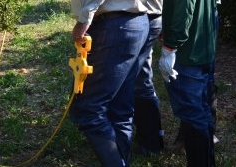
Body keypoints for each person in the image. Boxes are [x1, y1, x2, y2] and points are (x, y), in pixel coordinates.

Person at [70, 1, 149, 166]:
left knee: (88, 108)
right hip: (135, 23)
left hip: (114, 25)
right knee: (120, 106)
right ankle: (122, 161)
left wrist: (84, 18)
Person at [160, 0, 218, 166]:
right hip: (202, 48)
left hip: (188, 53)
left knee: (194, 115)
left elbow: (184, 8)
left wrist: (170, 47)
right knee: (201, 111)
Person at [133, 0, 164, 156]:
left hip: (144, 16)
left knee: (138, 82)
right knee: (140, 80)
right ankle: (151, 137)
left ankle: (151, 141)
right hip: (149, 15)